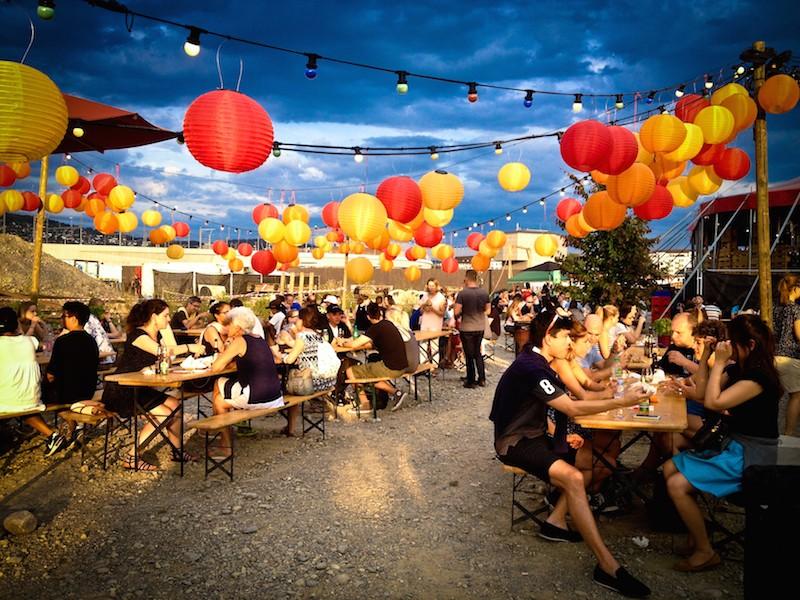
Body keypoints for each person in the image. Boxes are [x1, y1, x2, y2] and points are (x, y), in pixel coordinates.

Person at [490, 311, 651, 597]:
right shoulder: (532, 367)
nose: (570, 342)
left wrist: (557, 430)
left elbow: (534, 405)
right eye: (565, 336)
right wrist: (622, 399)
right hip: (514, 442)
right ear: (548, 336)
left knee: (588, 458)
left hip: (536, 433)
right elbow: (574, 407)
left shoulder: (536, 359)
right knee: (575, 477)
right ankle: (607, 565)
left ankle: (555, 522)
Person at [664, 315, 781, 572]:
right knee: (670, 468)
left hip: (751, 457)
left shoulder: (758, 379)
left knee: (676, 483)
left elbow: (713, 403)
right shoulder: (740, 370)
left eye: (733, 342)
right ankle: (697, 533)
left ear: (749, 345)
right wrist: (706, 356)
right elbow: (704, 391)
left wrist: (718, 365)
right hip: (733, 446)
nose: (728, 346)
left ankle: (705, 551)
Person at [101, 299, 206, 471]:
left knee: (176, 406)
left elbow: (167, 359)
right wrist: (189, 347)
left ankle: (177, 451)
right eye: (165, 315)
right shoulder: (138, 335)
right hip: (122, 389)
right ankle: (132, 457)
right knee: (166, 413)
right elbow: (162, 352)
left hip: (139, 387)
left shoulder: (157, 335)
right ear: (153, 316)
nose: (169, 319)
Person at [210, 307, 285, 453]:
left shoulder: (239, 341)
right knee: (224, 387)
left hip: (258, 397)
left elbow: (216, 367)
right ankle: (221, 428)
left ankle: (225, 444)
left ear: (237, 327)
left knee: (218, 392)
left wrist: (227, 349)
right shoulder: (260, 339)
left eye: (229, 324)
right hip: (275, 395)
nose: (227, 327)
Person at [0, 307, 68, 456]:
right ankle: (52, 435)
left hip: (7, 402)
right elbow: (45, 342)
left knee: (14, 400)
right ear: (16, 323)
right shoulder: (29, 341)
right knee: (21, 403)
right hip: (32, 399)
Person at [341, 303, 409, 411]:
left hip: (391, 367)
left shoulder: (375, 328)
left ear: (368, 316)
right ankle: (396, 393)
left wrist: (342, 342)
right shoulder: (388, 324)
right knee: (368, 372)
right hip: (402, 365)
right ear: (380, 313)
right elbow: (371, 344)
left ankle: (365, 403)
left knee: (351, 371)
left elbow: (354, 345)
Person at [45, 302, 99, 405]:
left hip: (65, 394)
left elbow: (51, 374)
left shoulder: (62, 341)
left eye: (65, 316)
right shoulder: (91, 341)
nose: (62, 319)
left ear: (74, 318)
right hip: (88, 392)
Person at [454, 270, 490, 389]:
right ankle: (482, 378)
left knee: (469, 355)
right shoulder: (484, 293)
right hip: (480, 326)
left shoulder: (462, 294)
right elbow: (488, 311)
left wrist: (462, 314)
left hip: (467, 327)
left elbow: (456, 311)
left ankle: (471, 380)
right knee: (478, 353)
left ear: (467, 279)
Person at [774, 274, 800, 435]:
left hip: (774, 355)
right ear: (795, 288)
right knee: (796, 395)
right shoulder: (796, 309)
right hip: (790, 357)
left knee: (776, 396)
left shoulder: (775, 308)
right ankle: (789, 434)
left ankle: (774, 429)